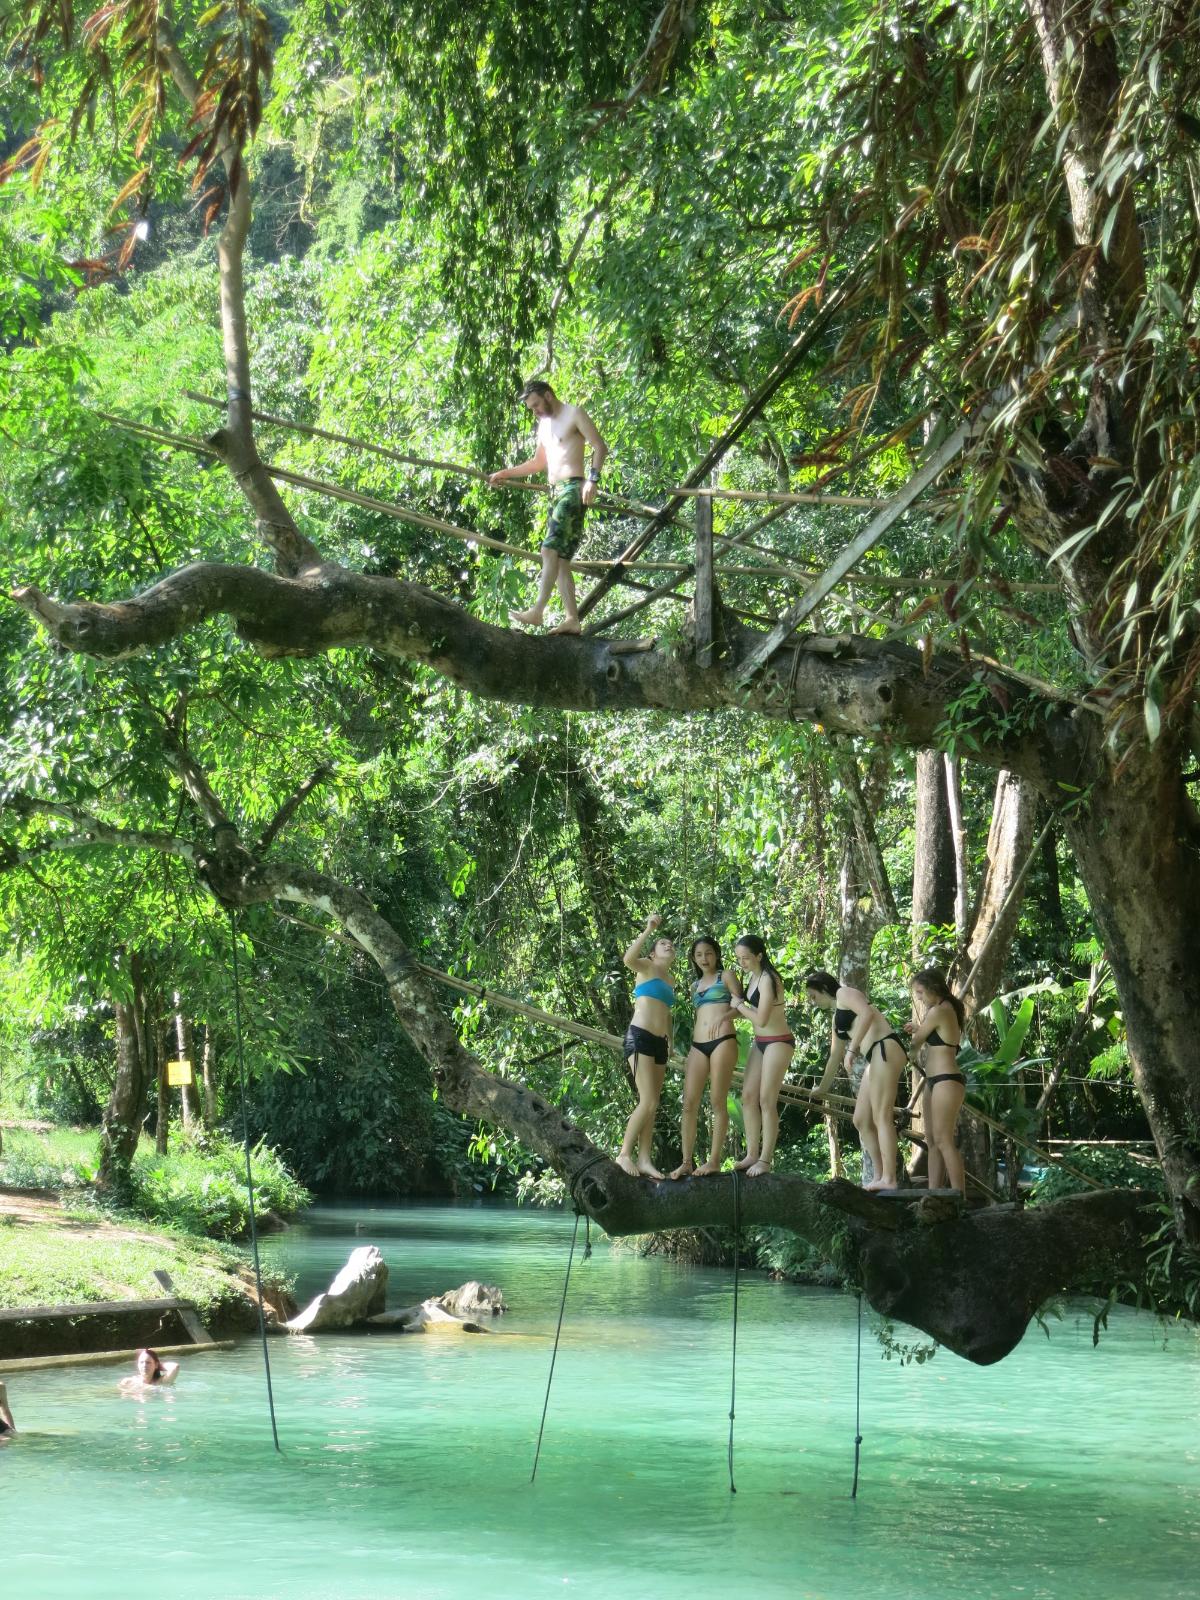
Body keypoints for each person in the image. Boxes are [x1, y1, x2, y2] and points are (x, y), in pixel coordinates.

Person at [487, 378, 608, 635]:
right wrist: (505, 473)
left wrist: (592, 481)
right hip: (555, 492)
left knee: (548, 549)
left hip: (573, 488)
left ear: (549, 395)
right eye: (531, 408)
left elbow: (599, 446)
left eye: (536, 405)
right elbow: (537, 464)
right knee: (562, 560)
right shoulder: (543, 425)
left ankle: (537, 611)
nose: (535, 411)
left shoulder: (574, 414)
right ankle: (572, 619)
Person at [805, 969, 908, 1191]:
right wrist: (821, 1089)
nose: (813, 1002)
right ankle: (879, 1175)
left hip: (885, 1047)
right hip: (875, 1058)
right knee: (861, 1120)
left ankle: (890, 1179)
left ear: (824, 989)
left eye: (813, 996)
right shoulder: (835, 1019)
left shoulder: (844, 993)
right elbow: (834, 1056)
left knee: (882, 1116)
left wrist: (852, 1050)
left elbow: (867, 1014)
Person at [669, 936, 743, 1179]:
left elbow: (742, 1006)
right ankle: (686, 1162)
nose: (704, 958)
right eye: (699, 954)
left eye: (709, 953)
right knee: (689, 1104)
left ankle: (713, 1161)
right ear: (693, 957)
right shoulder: (694, 985)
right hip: (698, 1045)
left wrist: (724, 1017)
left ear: (717, 954)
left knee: (717, 1102)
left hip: (723, 1040)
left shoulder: (727, 975)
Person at [729, 935, 795, 1176]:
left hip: (778, 1042)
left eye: (746, 958)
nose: (742, 963)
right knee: (748, 1097)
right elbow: (749, 1011)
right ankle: (752, 1154)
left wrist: (738, 1005)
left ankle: (765, 1160)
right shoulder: (753, 977)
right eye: (739, 958)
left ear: (759, 955)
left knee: (767, 1100)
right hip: (760, 1042)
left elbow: (761, 1018)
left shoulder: (769, 979)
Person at [616, 915, 676, 1179]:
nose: (668, 945)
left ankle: (644, 1159)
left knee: (653, 1103)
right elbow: (627, 959)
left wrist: (670, 1040)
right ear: (652, 953)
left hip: (660, 1043)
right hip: (639, 1036)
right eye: (663, 943)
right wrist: (648, 930)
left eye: (671, 944)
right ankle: (624, 1154)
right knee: (648, 1100)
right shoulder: (646, 967)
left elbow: (667, 1012)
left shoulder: (670, 980)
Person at [905, 967, 967, 1194]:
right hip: (934, 1081)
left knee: (944, 1140)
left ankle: (958, 1195)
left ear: (933, 988)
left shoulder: (939, 1010)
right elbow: (933, 1034)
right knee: (932, 1142)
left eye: (920, 993)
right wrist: (920, 1029)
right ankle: (934, 1193)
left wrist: (909, 1050)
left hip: (946, 1080)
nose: (919, 998)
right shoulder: (943, 1009)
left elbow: (916, 1044)